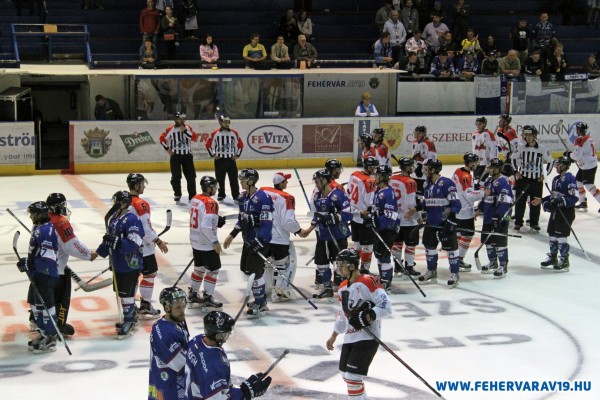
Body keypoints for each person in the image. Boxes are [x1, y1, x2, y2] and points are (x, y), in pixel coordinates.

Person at [325, 248, 392, 400]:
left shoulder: (369, 281)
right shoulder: (342, 287)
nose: (338, 267)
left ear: (352, 266)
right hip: (350, 337)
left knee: (353, 378)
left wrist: (369, 316)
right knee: (346, 375)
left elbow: (386, 307)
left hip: (368, 338)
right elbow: (343, 314)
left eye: (341, 264)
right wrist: (334, 334)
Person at [185, 311, 272, 399]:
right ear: (218, 335)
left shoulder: (197, 340)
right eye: (226, 334)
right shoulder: (213, 364)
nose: (228, 336)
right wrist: (246, 392)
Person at [223, 169, 274, 318]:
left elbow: (267, 223)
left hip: (260, 242)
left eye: (243, 179)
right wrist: (232, 234)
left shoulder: (263, 198)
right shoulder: (242, 198)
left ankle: (260, 303)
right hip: (248, 241)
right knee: (246, 269)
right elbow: (242, 219)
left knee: (254, 272)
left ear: (251, 181)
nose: (240, 181)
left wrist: (259, 241)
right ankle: (261, 299)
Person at [46, 193, 98, 336]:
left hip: (41, 268)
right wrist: (88, 254)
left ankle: (37, 319)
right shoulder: (61, 222)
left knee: (43, 295)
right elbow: (71, 245)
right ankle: (59, 325)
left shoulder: (42, 218)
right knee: (61, 298)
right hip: (57, 271)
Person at [95, 191, 144, 338]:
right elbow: (109, 240)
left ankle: (129, 320)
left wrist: (118, 242)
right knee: (121, 292)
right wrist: (98, 252)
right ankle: (131, 317)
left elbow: (135, 242)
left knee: (127, 294)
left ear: (123, 203)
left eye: (116, 201)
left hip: (130, 263)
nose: (113, 204)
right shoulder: (114, 218)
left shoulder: (132, 219)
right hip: (118, 262)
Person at [299, 168, 352, 299]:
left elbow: (348, 213)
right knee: (321, 261)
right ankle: (327, 287)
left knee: (340, 262)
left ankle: (345, 287)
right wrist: (309, 230)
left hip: (337, 235)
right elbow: (318, 216)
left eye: (318, 180)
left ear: (326, 180)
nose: (315, 182)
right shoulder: (318, 195)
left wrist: (333, 218)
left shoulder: (338, 195)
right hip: (323, 235)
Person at [17, 201, 60, 353]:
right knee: (36, 306)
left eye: (33, 214)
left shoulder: (46, 230)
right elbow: (37, 253)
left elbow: (48, 259)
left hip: (46, 275)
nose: (31, 217)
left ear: (40, 215)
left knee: (46, 308)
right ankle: (43, 334)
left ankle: (50, 338)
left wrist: (31, 264)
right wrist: (28, 263)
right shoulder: (39, 228)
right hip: (38, 274)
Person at [127, 173, 168, 319]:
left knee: (132, 276)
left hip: (127, 248)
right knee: (149, 273)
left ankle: (129, 307)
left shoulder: (121, 200)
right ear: (137, 186)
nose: (144, 186)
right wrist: (158, 241)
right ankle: (145, 305)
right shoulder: (141, 204)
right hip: (143, 248)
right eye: (142, 184)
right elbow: (146, 229)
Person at [418, 159, 462, 288]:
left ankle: (455, 273)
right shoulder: (427, 185)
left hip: (445, 222)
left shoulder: (446, 183)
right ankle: (432, 271)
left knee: (451, 248)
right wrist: (418, 207)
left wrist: (451, 220)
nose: (424, 171)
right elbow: (427, 203)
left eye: (427, 169)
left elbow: (456, 204)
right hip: (431, 222)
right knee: (429, 245)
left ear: (434, 170)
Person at [530, 157, 577, 272]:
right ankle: (553, 257)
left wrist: (561, 202)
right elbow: (554, 196)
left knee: (561, 236)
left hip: (566, 211)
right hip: (557, 211)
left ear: (565, 166)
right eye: (556, 164)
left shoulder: (570, 177)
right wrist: (542, 200)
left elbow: (574, 197)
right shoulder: (556, 179)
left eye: (559, 165)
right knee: (552, 234)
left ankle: (564, 260)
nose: (556, 167)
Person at [261, 172, 302, 302]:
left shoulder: (263, 191)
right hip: (279, 238)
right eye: (286, 181)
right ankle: (278, 292)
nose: (287, 183)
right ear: (281, 183)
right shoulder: (287, 197)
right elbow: (288, 222)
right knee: (283, 263)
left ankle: (266, 289)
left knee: (267, 262)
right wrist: (300, 230)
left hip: (264, 237)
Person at [188, 176, 226, 310]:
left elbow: (198, 217)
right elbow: (205, 226)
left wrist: (216, 220)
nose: (216, 189)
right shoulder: (212, 203)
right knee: (213, 270)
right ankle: (208, 297)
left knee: (199, 268)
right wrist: (215, 242)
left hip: (195, 240)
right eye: (215, 186)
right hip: (206, 242)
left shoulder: (195, 198)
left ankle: (192, 295)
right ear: (209, 188)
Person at [148, 287, 189, 400]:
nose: (182, 311)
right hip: (170, 387)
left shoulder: (177, 320)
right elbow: (181, 365)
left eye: (183, 306)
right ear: (167, 308)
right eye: (178, 308)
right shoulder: (164, 332)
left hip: (174, 383)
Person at [476, 158, 514, 278]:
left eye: (491, 168)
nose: (489, 170)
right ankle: (493, 262)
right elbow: (485, 198)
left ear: (498, 169)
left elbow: (505, 202)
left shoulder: (503, 182)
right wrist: (479, 209)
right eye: (489, 167)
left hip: (500, 217)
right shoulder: (489, 180)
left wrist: (498, 218)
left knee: (500, 241)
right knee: (488, 240)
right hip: (488, 216)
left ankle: (503, 265)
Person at [512, 125, 554, 231]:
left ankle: (534, 222)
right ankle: (518, 222)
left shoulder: (542, 148)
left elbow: (551, 161)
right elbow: (513, 159)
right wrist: (516, 172)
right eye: (526, 135)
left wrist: (545, 175)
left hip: (536, 180)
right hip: (523, 179)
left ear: (534, 135)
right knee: (519, 201)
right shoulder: (521, 148)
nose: (527, 137)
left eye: (530, 135)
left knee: (535, 202)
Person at [452, 153, 484, 271]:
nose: (477, 164)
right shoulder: (466, 176)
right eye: (475, 162)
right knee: (468, 234)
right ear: (470, 163)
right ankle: (459, 260)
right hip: (465, 211)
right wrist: (482, 192)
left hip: (456, 209)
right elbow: (469, 195)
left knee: (459, 234)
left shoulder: (457, 171)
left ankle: (454, 258)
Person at [390, 157, 421, 277]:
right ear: (407, 167)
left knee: (397, 243)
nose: (413, 168)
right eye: (411, 166)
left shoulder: (392, 179)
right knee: (410, 244)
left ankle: (398, 266)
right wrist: (418, 217)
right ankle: (409, 266)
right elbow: (411, 204)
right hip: (408, 219)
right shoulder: (410, 182)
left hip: (395, 218)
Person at [369, 165, 399, 291]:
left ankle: (386, 280)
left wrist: (377, 222)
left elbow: (391, 215)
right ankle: (383, 277)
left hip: (388, 229)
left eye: (377, 175)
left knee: (384, 255)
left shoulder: (387, 193)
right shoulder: (379, 191)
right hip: (381, 229)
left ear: (382, 177)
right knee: (378, 253)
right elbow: (377, 210)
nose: (375, 177)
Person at [347, 156, 379, 272]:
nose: (375, 169)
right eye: (374, 167)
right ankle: (365, 269)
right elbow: (370, 203)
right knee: (368, 246)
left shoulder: (354, 174)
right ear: (369, 167)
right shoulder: (370, 181)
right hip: (364, 217)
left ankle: (354, 269)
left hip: (354, 215)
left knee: (357, 245)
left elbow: (349, 192)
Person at [159, 112, 198, 204]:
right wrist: (167, 149)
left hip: (187, 156)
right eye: (179, 119)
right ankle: (177, 194)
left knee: (191, 177)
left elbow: (193, 138)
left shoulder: (188, 128)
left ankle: (192, 196)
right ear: (175, 120)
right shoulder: (170, 129)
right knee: (176, 177)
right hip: (175, 156)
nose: (181, 120)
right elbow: (162, 139)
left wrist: (184, 130)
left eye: (182, 119)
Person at [205, 114, 244, 202]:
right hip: (220, 160)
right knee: (220, 179)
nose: (227, 124)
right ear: (220, 123)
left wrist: (237, 155)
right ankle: (221, 194)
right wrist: (213, 155)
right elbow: (208, 145)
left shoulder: (234, 133)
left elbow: (241, 145)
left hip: (231, 160)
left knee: (233, 179)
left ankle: (236, 195)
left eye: (228, 122)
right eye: (224, 122)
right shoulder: (215, 133)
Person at [566, 122, 600, 212]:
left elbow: (577, 156)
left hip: (587, 166)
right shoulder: (589, 138)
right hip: (587, 164)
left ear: (578, 130)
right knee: (578, 182)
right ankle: (583, 202)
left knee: (589, 186)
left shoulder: (580, 139)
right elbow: (582, 153)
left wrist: (569, 155)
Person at [411, 125, 437, 196]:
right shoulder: (415, 142)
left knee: (424, 193)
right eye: (415, 133)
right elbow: (415, 156)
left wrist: (422, 166)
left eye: (418, 133)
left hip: (425, 173)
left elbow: (432, 159)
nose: (416, 135)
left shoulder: (429, 143)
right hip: (415, 172)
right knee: (415, 193)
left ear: (423, 134)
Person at [471, 116, 498, 183]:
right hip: (476, 163)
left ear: (484, 124)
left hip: (485, 163)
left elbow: (494, 148)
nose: (478, 125)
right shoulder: (474, 135)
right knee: (475, 181)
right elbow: (473, 149)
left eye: (480, 124)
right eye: (477, 124)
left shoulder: (489, 134)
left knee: (479, 182)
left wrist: (493, 160)